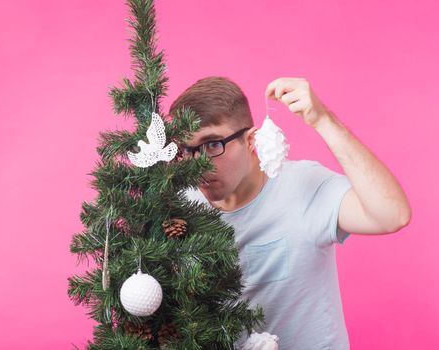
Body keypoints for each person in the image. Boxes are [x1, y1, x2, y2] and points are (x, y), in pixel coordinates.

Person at [168, 76, 412, 350]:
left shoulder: (302, 185)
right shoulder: (179, 208)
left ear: (250, 140)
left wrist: (323, 120)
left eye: (212, 145)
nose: (196, 166)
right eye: (184, 150)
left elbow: (392, 215)